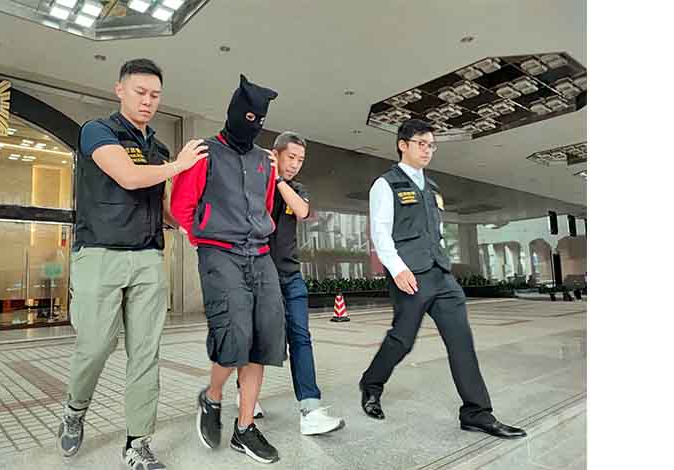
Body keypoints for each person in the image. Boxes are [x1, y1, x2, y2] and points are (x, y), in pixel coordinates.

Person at [58, 58, 208, 469]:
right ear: (119, 89)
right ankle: (74, 409)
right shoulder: (97, 131)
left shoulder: (158, 149)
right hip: (99, 255)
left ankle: (138, 442)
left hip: (147, 257)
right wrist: (179, 166)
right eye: (140, 92)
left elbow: (166, 208)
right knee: (95, 345)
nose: (148, 101)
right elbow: (127, 176)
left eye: (155, 95)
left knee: (145, 352)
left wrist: (199, 227)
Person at [358, 118, 527, 439]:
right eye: (421, 143)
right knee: (402, 340)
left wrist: (443, 261)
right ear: (402, 145)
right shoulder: (386, 184)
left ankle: (476, 412)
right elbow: (379, 231)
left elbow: (435, 231)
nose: (427, 150)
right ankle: (371, 383)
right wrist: (397, 269)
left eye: (431, 145)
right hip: (410, 275)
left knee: (461, 340)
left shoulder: (433, 188)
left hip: (441, 275)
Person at [170, 74, 284, 464]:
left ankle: (245, 428)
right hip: (219, 252)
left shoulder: (264, 161)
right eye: (249, 117)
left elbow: (264, 205)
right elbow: (181, 206)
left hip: (260, 254)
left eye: (260, 121)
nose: (254, 125)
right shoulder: (204, 153)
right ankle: (213, 395)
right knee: (235, 335)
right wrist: (202, 234)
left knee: (265, 337)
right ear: (233, 113)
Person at [236, 131, 345, 436]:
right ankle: (244, 394)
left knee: (300, 337)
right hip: (258, 274)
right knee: (256, 339)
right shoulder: (255, 183)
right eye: (291, 157)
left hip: (291, 275)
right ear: (276, 155)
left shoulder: (295, 188)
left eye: (300, 159)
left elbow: (302, 211)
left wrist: (280, 180)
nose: (295, 164)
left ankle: (310, 409)